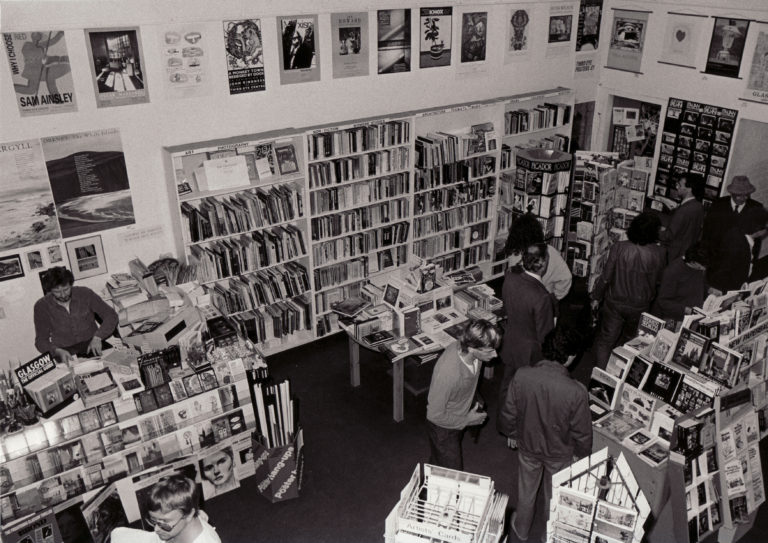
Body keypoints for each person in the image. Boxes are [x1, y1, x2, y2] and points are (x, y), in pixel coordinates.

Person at [497, 325, 592, 543]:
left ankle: (521, 529)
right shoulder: (576, 391)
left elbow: (508, 411)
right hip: (559, 453)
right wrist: (581, 454)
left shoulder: (522, 375)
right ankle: (547, 535)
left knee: (527, 490)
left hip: (528, 445)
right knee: (554, 495)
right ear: (569, 357)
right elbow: (582, 432)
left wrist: (512, 432)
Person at [591, 212, 665, 368]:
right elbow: (659, 281)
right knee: (630, 342)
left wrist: (596, 297)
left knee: (605, 341)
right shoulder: (660, 253)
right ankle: (619, 374)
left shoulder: (619, 248)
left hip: (615, 302)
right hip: (640, 306)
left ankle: (599, 377)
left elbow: (606, 277)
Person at [426, 318, 501, 470]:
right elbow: (433, 415)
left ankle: (429, 482)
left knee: (438, 462)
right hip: (443, 428)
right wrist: (466, 420)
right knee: (453, 474)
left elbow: (468, 379)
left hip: (458, 415)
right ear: (473, 348)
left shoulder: (473, 355)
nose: (495, 355)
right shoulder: (448, 373)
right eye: (489, 351)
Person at [498, 242, 556, 408]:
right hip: (530, 354)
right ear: (543, 264)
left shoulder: (510, 277)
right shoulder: (542, 296)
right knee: (525, 394)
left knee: (507, 385)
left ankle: (503, 420)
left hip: (510, 342)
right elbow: (545, 335)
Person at [33, 266, 118, 364]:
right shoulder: (42, 306)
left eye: (66, 289)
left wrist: (98, 337)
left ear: (71, 284)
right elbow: (41, 341)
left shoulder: (85, 294)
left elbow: (111, 315)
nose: (63, 295)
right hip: (64, 351)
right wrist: (56, 351)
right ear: (50, 291)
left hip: (92, 343)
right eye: (57, 292)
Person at [111, 474, 221, 543]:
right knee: (117, 534)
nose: (156, 529)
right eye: (153, 521)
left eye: (164, 522)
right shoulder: (189, 515)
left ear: (189, 515)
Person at [504, 212, 572, 301]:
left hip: (520, 299)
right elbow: (566, 277)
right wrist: (554, 297)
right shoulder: (549, 251)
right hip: (540, 298)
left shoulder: (514, 252)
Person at [707, 206, 768, 294]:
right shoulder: (737, 244)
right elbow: (723, 271)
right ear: (758, 229)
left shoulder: (739, 234)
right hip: (724, 290)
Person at [702, 175, 764, 258]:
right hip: (716, 255)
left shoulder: (756, 208)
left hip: (740, 258)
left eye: (746, 195)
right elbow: (707, 232)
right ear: (732, 193)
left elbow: (757, 240)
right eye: (739, 195)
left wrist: (752, 259)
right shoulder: (718, 205)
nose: (743, 199)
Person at [652, 243, 709, 322]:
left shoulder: (699, 267)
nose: (704, 269)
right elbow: (663, 302)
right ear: (693, 262)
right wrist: (686, 310)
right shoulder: (673, 272)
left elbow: (698, 284)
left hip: (696, 315)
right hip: (677, 319)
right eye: (702, 266)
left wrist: (710, 289)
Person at [659, 175, 704, 263]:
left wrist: (654, 229)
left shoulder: (683, 210)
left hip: (673, 255)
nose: (676, 187)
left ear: (689, 189)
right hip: (686, 254)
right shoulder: (699, 206)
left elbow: (669, 236)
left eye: (679, 185)